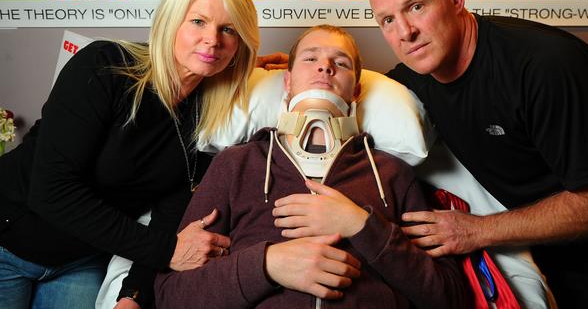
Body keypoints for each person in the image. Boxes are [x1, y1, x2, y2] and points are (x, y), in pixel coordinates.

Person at [369, 0, 588, 308]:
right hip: (544, 252)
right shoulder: (413, 76)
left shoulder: (545, 66)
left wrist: (475, 231)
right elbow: (351, 86)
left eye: (417, 6)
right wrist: (293, 70)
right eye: (388, 20)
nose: (405, 32)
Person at [0, 0, 259, 309]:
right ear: (171, 21)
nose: (212, 39)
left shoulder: (210, 118)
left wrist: (132, 294)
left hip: (80, 261)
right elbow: (51, 191)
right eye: (198, 21)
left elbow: (172, 215)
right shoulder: (104, 66)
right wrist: (167, 251)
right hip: (9, 237)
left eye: (228, 29)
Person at [155, 25, 467, 308]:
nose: (325, 67)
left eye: (341, 62)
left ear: (356, 89)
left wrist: (362, 226)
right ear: (287, 83)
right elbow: (170, 295)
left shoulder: (392, 174)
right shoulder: (236, 165)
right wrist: (267, 265)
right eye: (310, 58)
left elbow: (449, 297)